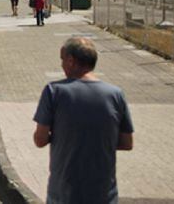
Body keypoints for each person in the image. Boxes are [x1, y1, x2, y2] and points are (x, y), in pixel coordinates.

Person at [33, 37, 134, 203]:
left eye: (62, 59)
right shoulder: (116, 94)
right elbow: (127, 143)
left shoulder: (54, 92)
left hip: (64, 193)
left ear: (71, 61)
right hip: (104, 194)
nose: (61, 65)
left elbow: (40, 139)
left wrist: (64, 138)